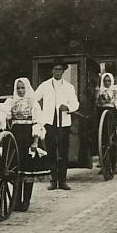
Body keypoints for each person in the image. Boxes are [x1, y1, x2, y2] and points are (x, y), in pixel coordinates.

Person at [0, 78, 48, 211]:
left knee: (27, 171)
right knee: (16, 171)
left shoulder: (33, 104)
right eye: (18, 88)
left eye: (23, 88)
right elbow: (3, 114)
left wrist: (35, 142)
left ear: (27, 88)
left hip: (27, 138)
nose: (20, 90)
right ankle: (15, 201)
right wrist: (2, 117)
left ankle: (26, 201)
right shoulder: (11, 102)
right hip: (14, 139)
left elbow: (38, 123)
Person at [34, 61, 79, 191]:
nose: (57, 72)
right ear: (52, 71)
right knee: (51, 150)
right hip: (49, 122)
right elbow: (34, 99)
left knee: (63, 151)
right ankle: (53, 180)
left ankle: (63, 180)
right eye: (55, 69)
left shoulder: (69, 87)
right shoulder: (45, 85)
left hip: (63, 123)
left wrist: (68, 107)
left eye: (59, 69)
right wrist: (40, 114)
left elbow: (76, 103)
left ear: (63, 71)